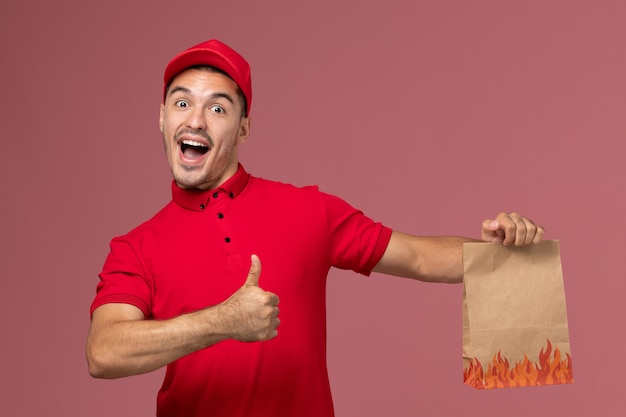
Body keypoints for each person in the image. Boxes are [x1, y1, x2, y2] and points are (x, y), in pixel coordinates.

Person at [86, 39, 544, 417]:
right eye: (181, 102)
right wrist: (221, 323)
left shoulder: (308, 209)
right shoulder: (135, 247)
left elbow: (420, 256)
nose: (196, 119)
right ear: (162, 118)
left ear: (243, 128)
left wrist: (499, 251)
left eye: (218, 108)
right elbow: (104, 353)